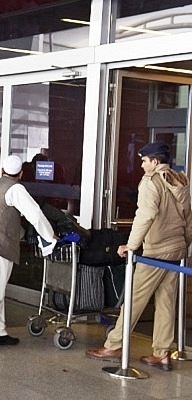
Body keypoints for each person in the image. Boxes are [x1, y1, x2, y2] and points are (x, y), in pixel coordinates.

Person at [86, 142, 192, 371]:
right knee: (166, 303)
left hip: (156, 251)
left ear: (155, 162)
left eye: (144, 161)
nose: (142, 165)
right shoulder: (179, 181)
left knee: (133, 300)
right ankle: (162, 353)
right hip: (177, 250)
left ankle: (113, 346)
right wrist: (185, 244)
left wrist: (131, 246)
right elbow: (188, 217)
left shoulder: (152, 182)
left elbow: (145, 215)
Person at [0, 155, 56, 350]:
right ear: (21, 173)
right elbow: (35, 214)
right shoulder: (16, 188)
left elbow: (2, 215)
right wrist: (50, 236)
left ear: (2, 171)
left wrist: (20, 233)